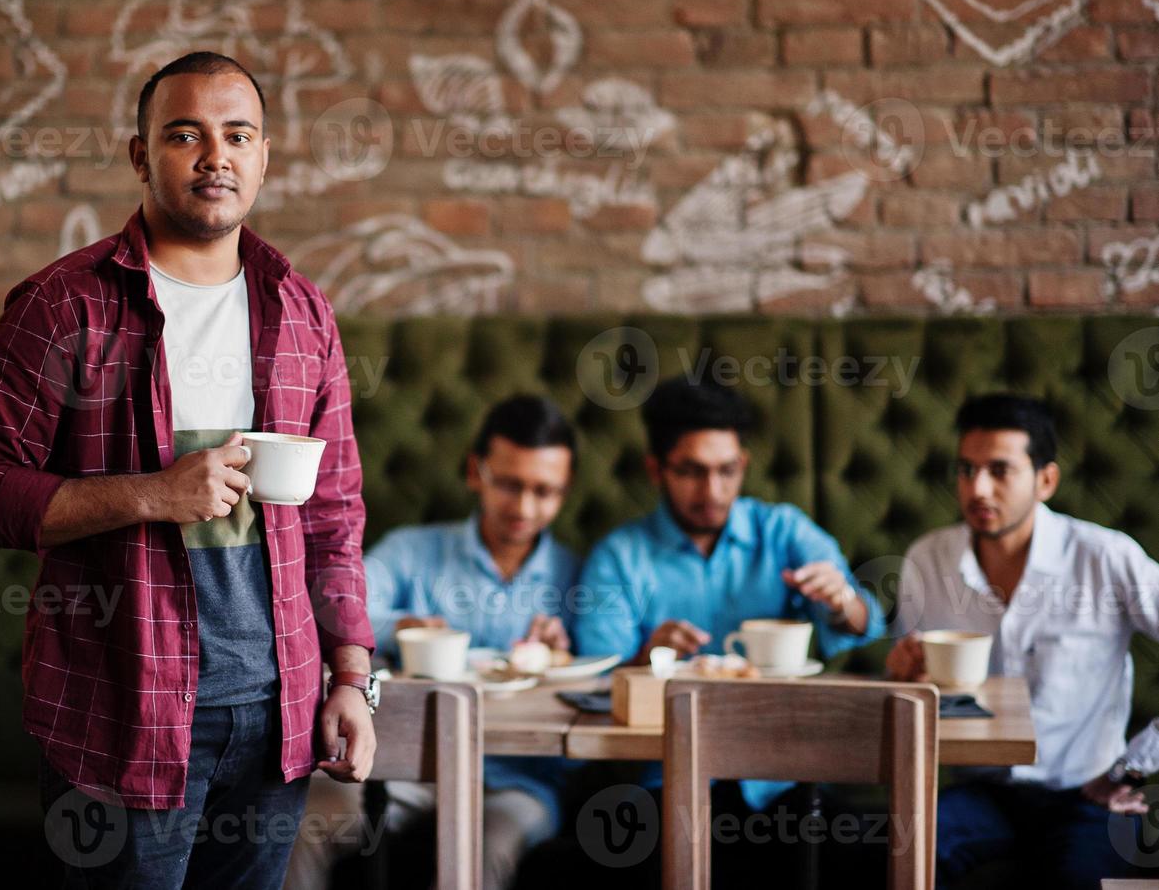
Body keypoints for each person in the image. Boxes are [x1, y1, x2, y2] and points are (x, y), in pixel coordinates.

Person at [0, 51, 376, 890]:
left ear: (263, 155)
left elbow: (335, 513)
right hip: (120, 720)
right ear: (141, 156)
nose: (216, 156)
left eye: (237, 135)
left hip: (277, 720)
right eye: (186, 135)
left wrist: (353, 676)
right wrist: (153, 493)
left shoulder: (302, 310)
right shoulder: (63, 305)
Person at [573, 375, 884, 879]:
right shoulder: (620, 556)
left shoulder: (782, 530)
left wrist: (840, 601)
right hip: (663, 778)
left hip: (779, 775)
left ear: (744, 465)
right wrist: (646, 656)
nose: (712, 491)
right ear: (657, 469)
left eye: (727, 470)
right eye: (691, 472)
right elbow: (598, 680)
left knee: (862, 850)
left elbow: (867, 622)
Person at [284, 394, 579, 890]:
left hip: (516, 780)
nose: (524, 507)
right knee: (305, 823)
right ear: (475, 471)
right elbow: (333, 607)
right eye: (509, 484)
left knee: (488, 849)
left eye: (544, 491)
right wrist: (402, 627)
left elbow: (597, 687)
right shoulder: (413, 551)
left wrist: (563, 651)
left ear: (564, 492)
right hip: (399, 767)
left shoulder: (575, 576)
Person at [886, 393, 1156, 889]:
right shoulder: (928, 557)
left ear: (1046, 480)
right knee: (899, 851)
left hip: (1087, 794)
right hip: (981, 791)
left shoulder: (1106, 558)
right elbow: (926, 691)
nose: (978, 488)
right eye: (966, 470)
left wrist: (1132, 769)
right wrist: (907, 676)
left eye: (999, 470)